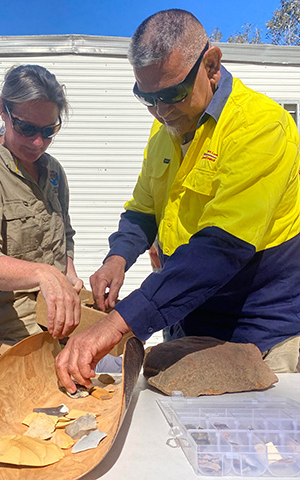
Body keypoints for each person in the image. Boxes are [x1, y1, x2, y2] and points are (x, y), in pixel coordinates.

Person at [55, 9, 300, 392]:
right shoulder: (165, 129)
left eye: (171, 94)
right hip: (188, 322)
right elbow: (142, 209)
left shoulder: (261, 128)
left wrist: (119, 322)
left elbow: (219, 250)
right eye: (146, 97)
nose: (160, 110)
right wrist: (117, 258)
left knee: (258, 450)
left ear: (212, 65)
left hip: (260, 334)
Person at [0, 64, 82, 345]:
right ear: (4, 110)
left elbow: (64, 235)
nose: (38, 142)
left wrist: (68, 273)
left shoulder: (54, 172)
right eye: (26, 128)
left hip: (52, 335)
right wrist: (42, 274)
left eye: (49, 130)